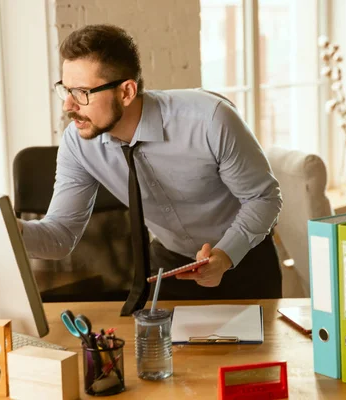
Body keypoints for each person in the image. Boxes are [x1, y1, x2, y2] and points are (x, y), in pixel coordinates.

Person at [18, 24, 283, 304]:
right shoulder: (78, 143)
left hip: (244, 260)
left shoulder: (210, 121)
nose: (68, 105)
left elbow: (263, 198)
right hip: (171, 268)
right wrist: (11, 230)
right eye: (66, 90)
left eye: (82, 93)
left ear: (127, 92)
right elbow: (60, 236)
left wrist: (226, 255)